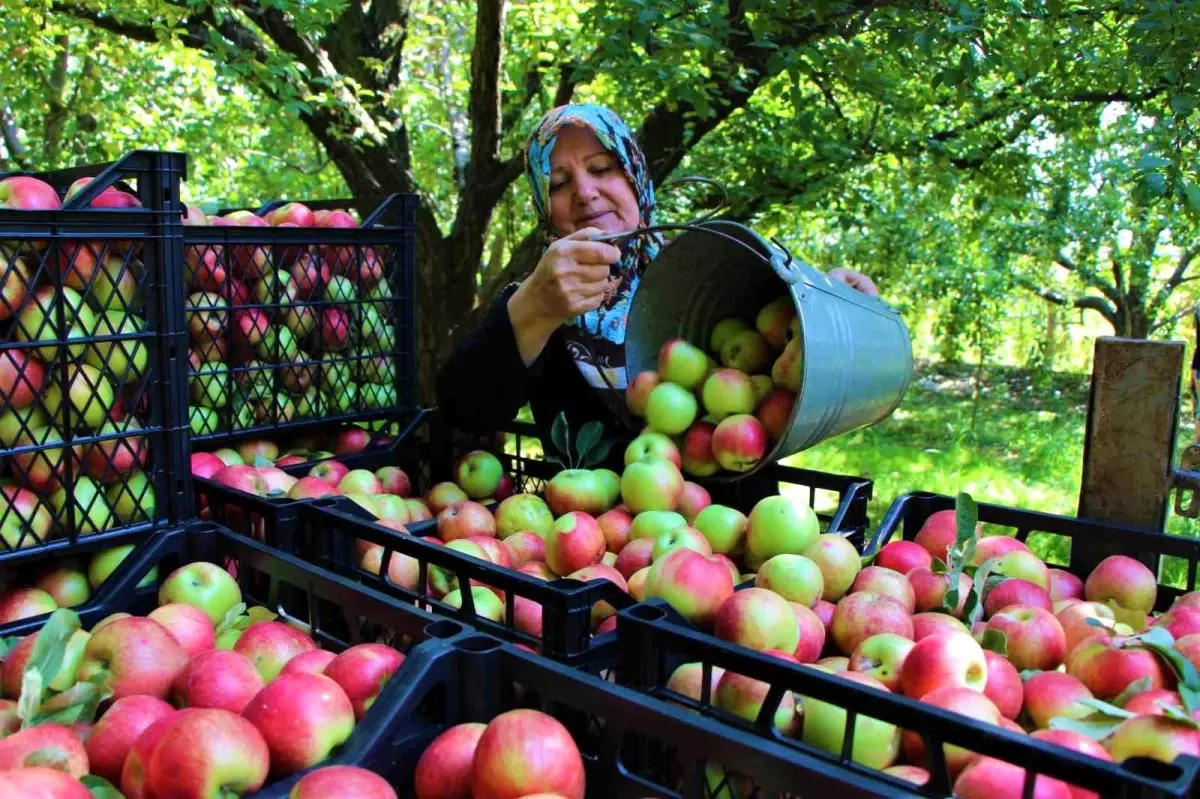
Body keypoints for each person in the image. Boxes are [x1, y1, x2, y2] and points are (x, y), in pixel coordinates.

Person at [436, 103, 880, 453]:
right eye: (558, 184)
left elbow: (789, 355)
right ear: (544, 209)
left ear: (635, 177)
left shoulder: (710, 271)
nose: (585, 193)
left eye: (601, 168)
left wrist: (828, 305)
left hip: (740, 543)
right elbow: (464, 410)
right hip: (600, 551)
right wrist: (534, 307)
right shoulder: (542, 300)